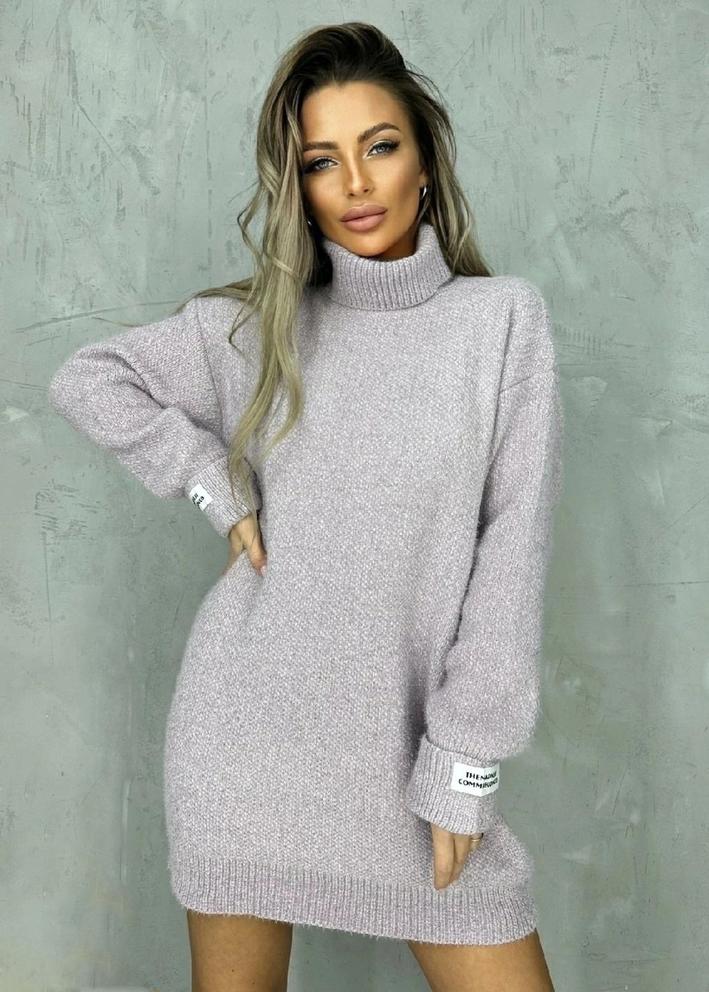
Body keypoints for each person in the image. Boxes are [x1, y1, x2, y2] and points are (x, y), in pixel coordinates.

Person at [47, 21, 563, 992]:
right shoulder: (259, 329)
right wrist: (212, 479)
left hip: (412, 764)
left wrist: (463, 764)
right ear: (299, 185)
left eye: (380, 146)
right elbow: (89, 378)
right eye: (322, 162)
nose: (356, 184)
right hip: (242, 751)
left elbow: (511, 554)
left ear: (424, 161)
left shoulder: (500, 323)